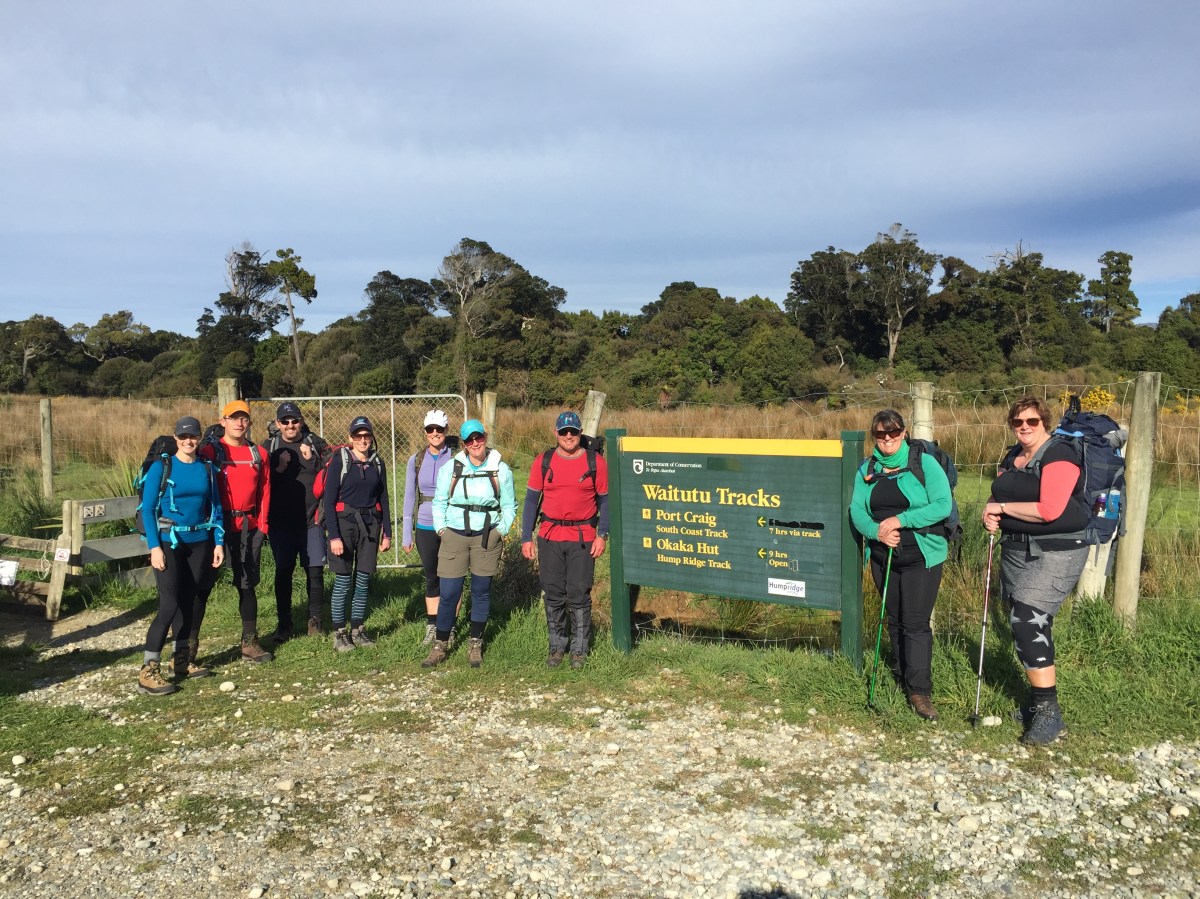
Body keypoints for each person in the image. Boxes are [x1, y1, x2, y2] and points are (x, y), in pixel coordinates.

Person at [982, 395, 1090, 745]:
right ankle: (1036, 703)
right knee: (1025, 623)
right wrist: (990, 510)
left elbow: (1049, 509)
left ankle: (1049, 713)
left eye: (1032, 421)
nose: (1024, 427)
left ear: (1045, 422)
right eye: (1018, 422)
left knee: (1027, 619)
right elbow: (999, 493)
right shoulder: (1013, 456)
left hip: (1057, 550)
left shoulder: (1060, 454)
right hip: (1016, 549)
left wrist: (1001, 507)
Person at [849, 409, 952, 721]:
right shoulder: (867, 468)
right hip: (883, 557)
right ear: (874, 436)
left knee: (915, 623)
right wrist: (876, 532)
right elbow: (857, 510)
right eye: (880, 434)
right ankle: (901, 675)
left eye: (893, 432)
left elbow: (942, 505)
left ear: (904, 433)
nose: (887, 438)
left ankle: (920, 691)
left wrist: (900, 520)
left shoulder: (924, 464)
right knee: (894, 620)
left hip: (922, 555)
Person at [138, 416, 224, 694]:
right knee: (169, 604)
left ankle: (181, 660)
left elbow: (216, 508)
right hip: (169, 544)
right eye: (183, 437)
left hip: (200, 541)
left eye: (193, 436)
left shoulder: (206, 468)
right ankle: (148, 671)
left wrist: (218, 543)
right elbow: (148, 510)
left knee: (189, 602)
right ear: (175, 438)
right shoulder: (162, 468)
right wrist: (154, 548)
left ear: (199, 438)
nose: (189, 441)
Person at [422, 419, 516, 669]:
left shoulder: (500, 469)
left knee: (481, 591)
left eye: (479, 437)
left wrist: (500, 530)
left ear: (485, 437)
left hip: (486, 536)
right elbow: (439, 502)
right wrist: (441, 529)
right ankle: (440, 645)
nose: (475, 443)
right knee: (449, 593)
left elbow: (509, 505)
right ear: (463, 443)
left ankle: (475, 643)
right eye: (469, 440)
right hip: (454, 534)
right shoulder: (451, 468)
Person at [520, 411, 609, 670]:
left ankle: (579, 650)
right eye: (563, 431)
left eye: (573, 431)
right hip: (550, 536)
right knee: (553, 593)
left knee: (579, 594)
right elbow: (531, 500)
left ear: (580, 433)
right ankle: (557, 646)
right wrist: (526, 537)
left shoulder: (595, 462)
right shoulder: (543, 461)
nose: (568, 436)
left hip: (583, 537)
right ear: (555, 433)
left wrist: (602, 534)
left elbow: (605, 500)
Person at [189, 400, 274, 664]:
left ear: (249, 423)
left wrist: (262, 527)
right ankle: (188, 647)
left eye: (244, 418)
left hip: (248, 528)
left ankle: (249, 643)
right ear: (222, 421)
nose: (239, 423)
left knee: (247, 586)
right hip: (214, 528)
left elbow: (265, 491)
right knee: (202, 585)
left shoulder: (259, 454)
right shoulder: (210, 452)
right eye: (233, 418)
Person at [263, 401, 331, 640]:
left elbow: (332, 472)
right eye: (285, 421)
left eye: (294, 420)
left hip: (312, 520)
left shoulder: (316, 444)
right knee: (283, 571)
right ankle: (284, 624)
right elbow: (260, 481)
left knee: (315, 571)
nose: (290, 425)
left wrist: (313, 460)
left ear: (301, 421)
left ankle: (315, 621)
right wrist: (278, 468)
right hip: (281, 523)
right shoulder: (269, 447)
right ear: (278, 423)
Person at [324, 415, 392, 651]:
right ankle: (339, 633)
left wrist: (387, 533)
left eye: (367, 435)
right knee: (343, 581)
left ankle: (358, 629)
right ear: (350, 438)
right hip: (344, 525)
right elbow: (329, 501)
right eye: (358, 436)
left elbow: (383, 498)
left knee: (362, 581)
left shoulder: (377, 463)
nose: (363, 440)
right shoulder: (340, 460)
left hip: (370, 526)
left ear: (372, 437)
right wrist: (334, 536)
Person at [402, 409, 456, 645]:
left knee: (452, 578)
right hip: (425, 525)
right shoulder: (416, 460)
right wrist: (406, 533)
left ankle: (450, 626)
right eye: (430, 429)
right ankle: (433, 626)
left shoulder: (456, 458)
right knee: (432, 577)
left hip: (451, 525)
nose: (435, 433)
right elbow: (409, 497)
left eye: (439, 429)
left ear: (446, 430)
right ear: (425, 432)